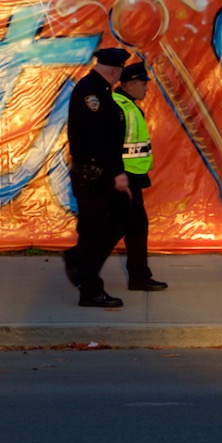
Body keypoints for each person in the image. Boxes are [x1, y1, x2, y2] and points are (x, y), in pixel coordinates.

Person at [63, 47, 131, 308]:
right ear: (115, 70)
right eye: (119, 73)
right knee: (93, 230)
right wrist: (118, 173)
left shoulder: (101, 90)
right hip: (94, 174)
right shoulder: (91, 92)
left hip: (102, 172)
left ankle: (79, 261)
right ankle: (89, 289)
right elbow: (98, 138)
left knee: (124, 215)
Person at [113, 62, 168, 292]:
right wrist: (118, 176)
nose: (147, 88)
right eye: (143, 83)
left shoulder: (128, 105)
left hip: (130, 177)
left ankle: (139, 277)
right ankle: (80, 265)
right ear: (130, 83)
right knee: (127, 228)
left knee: (133, 227)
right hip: (123, 178)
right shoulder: (119, 107)